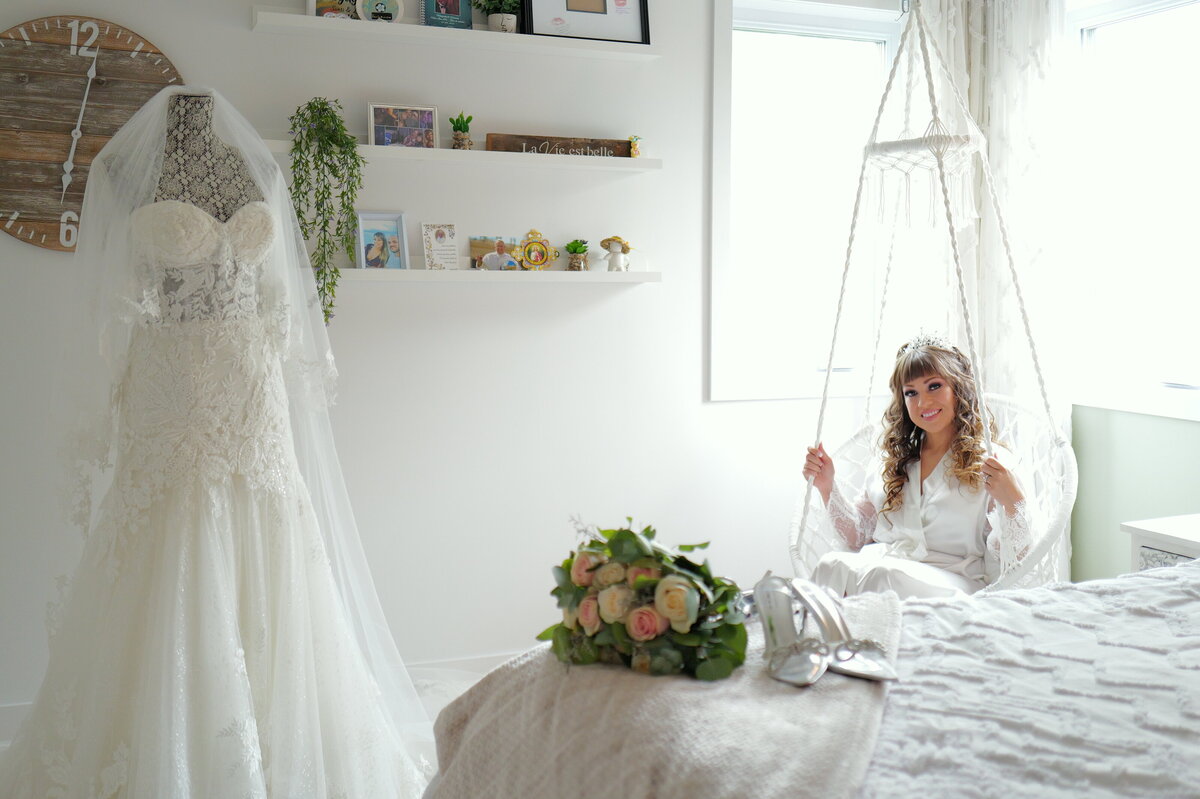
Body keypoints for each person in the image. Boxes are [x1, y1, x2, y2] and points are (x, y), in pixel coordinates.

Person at [0, 87, 433, 797]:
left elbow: (278, 295)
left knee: (270, 528)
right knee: (172, 532)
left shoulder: (253, 167)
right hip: (170, 379)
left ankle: (276, 729)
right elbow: (107, 302)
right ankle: (175, 735)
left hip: (250, 377)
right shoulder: (122, 174)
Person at [802, 335, 1030, 599]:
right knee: (832, 564)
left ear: (958, 388)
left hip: (952, 580)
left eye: (934, 386)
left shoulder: (990, 462)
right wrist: (827, 485)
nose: (923, 403)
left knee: (884, 577)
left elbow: (1012, 557)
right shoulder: (894, 459)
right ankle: (827, 638)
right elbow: (857, 537)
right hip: (885, 565)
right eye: (911, 392)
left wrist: (1014, 502)